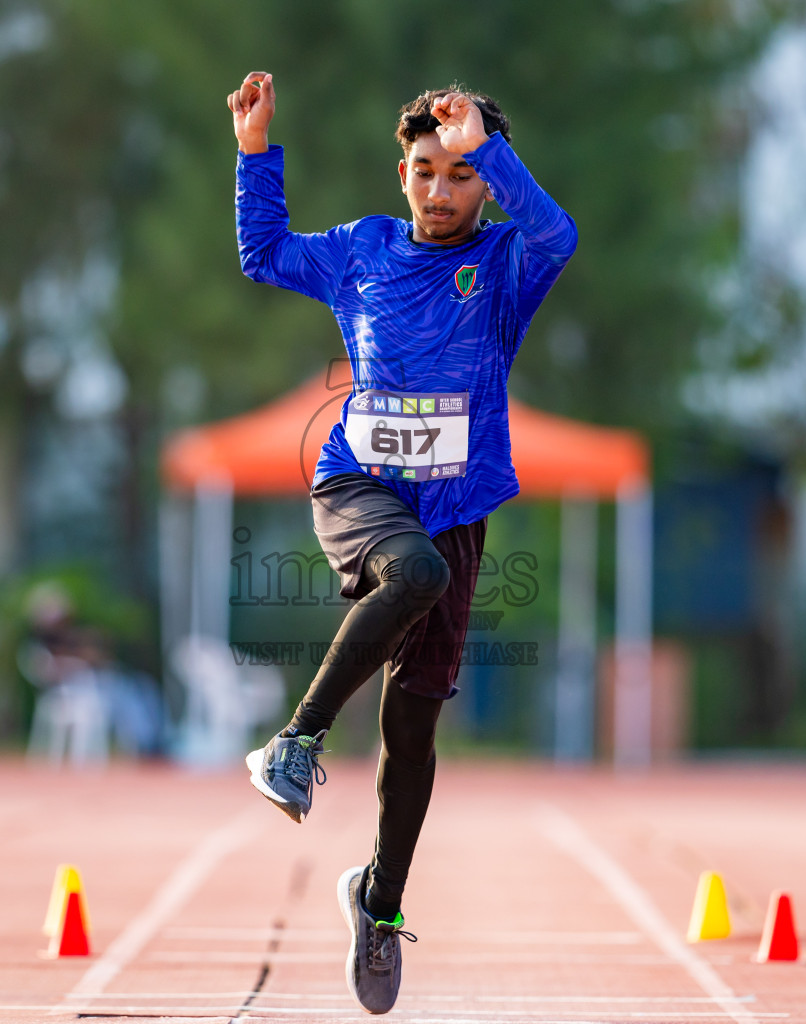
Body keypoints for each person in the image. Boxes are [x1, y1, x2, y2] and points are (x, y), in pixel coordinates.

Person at [227, 72, 576, 1013]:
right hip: (357, 483)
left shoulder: (506, 264)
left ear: (483, 185)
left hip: (455, 507)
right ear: (402, 175)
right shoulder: (363, 252)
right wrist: (256, 152)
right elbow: (262, 255)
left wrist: (492, 151)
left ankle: (378, 906)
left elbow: (560, 235)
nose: (439, 191)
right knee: (409, 570)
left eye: (460, 175)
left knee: (414, 727)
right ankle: (294, 743)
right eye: (425, 172)